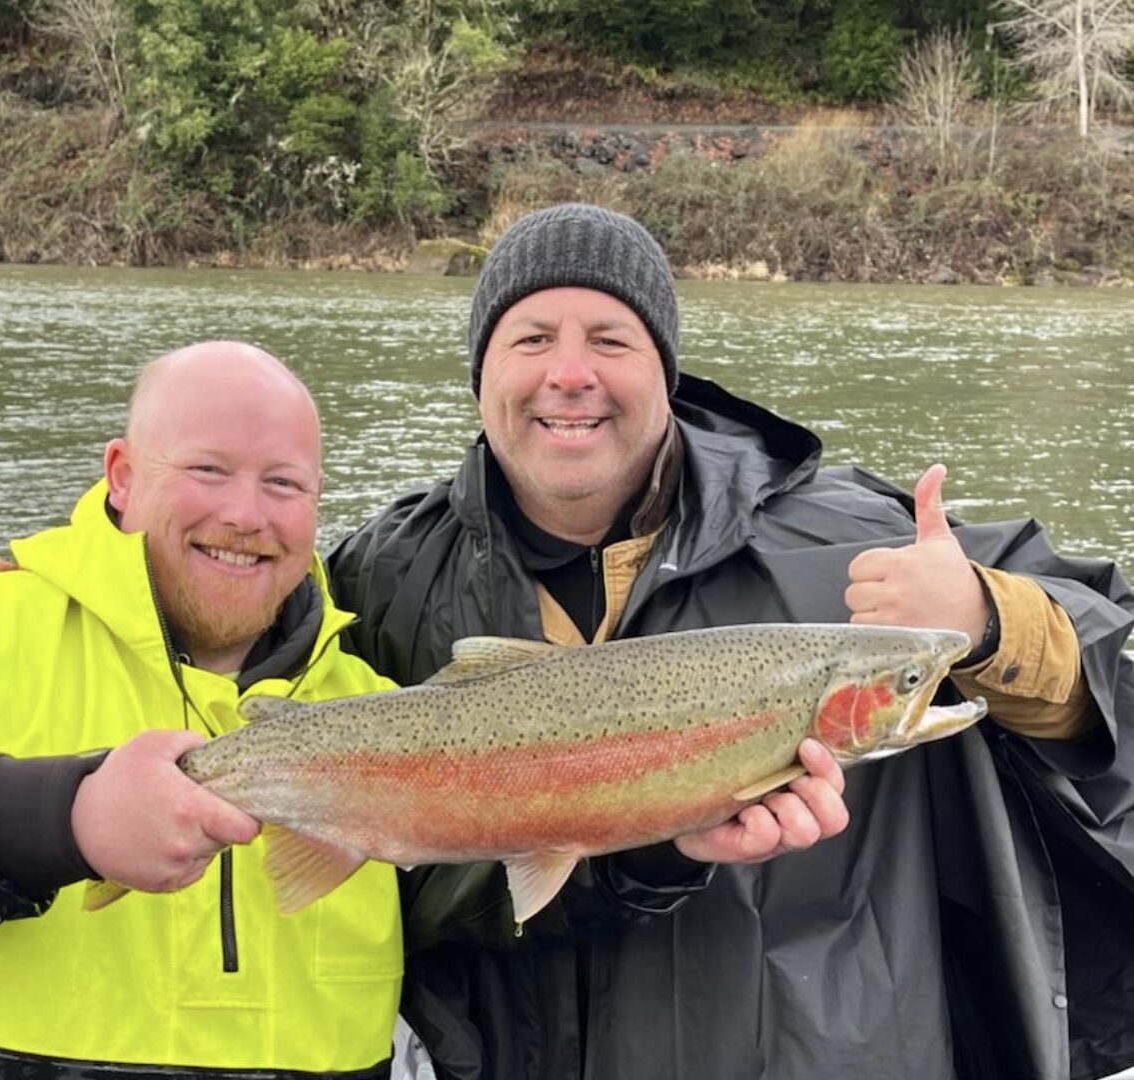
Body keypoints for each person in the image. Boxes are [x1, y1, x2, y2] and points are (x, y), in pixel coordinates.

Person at [328, 204, 1134, 1080]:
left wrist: (983, 617)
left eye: (610, 339)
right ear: (480, 372)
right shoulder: (377, 575)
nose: (568, 373)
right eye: (529, 340)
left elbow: (1109, 692)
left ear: (665, 372)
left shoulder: (857, 537)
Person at [0, 342, 403, 1078]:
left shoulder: (382, 708)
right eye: (207, 469)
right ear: (121, 477)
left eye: (283, 483)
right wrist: (63, 818)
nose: (245, 514)